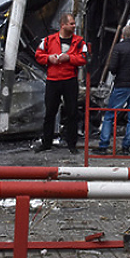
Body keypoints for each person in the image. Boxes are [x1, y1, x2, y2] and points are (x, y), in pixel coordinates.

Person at [35, 13, 88, 153]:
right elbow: (38, 55)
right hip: (53, 81)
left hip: (70, 80)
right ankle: (46, 143)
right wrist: (48, 58)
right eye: (71, 23)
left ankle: (72, 144)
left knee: (72, 113)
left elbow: (83, 58)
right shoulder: (48, 40)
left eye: (74, 23)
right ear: (62, 25)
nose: (74, 26)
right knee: (50, 113)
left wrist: (69, 58)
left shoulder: (79, 41)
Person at [96, 25, 130, 156]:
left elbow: (113, 68)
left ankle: (103, 145)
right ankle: (126, 147)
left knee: (109, 116)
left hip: (121, 85)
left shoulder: (119, 48)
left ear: (123, 35)